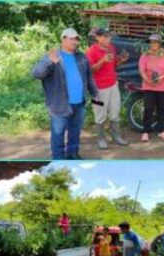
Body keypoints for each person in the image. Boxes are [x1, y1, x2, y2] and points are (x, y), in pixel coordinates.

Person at [32, 28, 99, 160]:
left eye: (77, 39)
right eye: (72, 38)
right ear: (63, 39)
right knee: (58, 133)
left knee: (75, 131)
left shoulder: (81, 57)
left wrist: (94, 92)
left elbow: (89, 76)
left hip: (79, 103)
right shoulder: (53, 56)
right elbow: (37, 74)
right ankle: (58, 158)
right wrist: (49, 62)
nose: (75, 41)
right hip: (60, 104)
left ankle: (73, 154)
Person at [85, 27, 130, 150]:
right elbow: (90, 70)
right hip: (98, 89)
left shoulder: (112, 48)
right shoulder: (91, 51)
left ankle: (116, 137)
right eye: (105, 36)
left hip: (113, 85)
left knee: (115, 112)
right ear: (97, 37)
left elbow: (114, 64)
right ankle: (101, 139)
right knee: (100, 114)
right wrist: (102, 60)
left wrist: (122, 60)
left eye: (109, 36)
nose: (108, 38)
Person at [138, 33, 164, 143]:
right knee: (148, 108)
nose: (153, 44)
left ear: (159, 43)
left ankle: (161, 131)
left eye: (155, 42)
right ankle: (145, 132)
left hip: (163, 86)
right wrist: (147, 79)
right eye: (151, 42)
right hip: (148, 86)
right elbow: (141, 70)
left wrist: (161, 77)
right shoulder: (145, 54)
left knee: (161, 109)